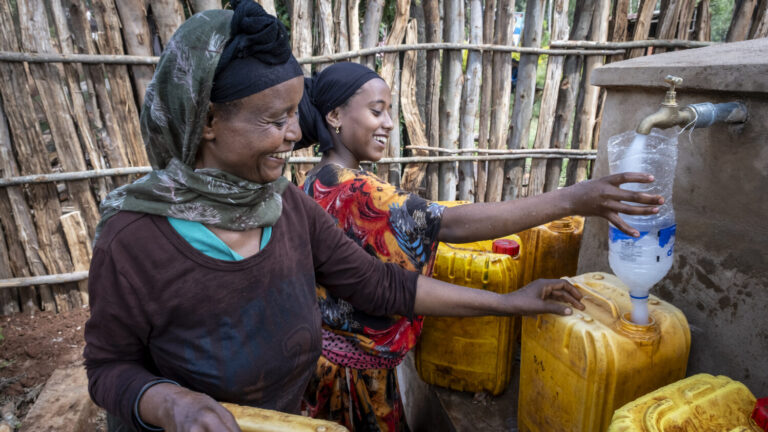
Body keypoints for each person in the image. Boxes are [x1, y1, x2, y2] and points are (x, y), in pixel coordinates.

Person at [83, 4, 586, 432]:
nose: (292, 134)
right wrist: (170, 402)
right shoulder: (135, 237)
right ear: (208, 120)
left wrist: (511, 303)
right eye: (273, 119)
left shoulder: (286, 207)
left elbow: (382, 286)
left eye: (294, 114)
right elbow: (109, 366)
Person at [297, 62, 665, 432]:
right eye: (377, 111)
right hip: (354, 383)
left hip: (326, 367)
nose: (390, 123)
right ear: (334, 115)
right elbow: (450, 223)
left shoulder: (316, 181)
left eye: (390, 111)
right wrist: (572, 199)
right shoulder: (354, 190)